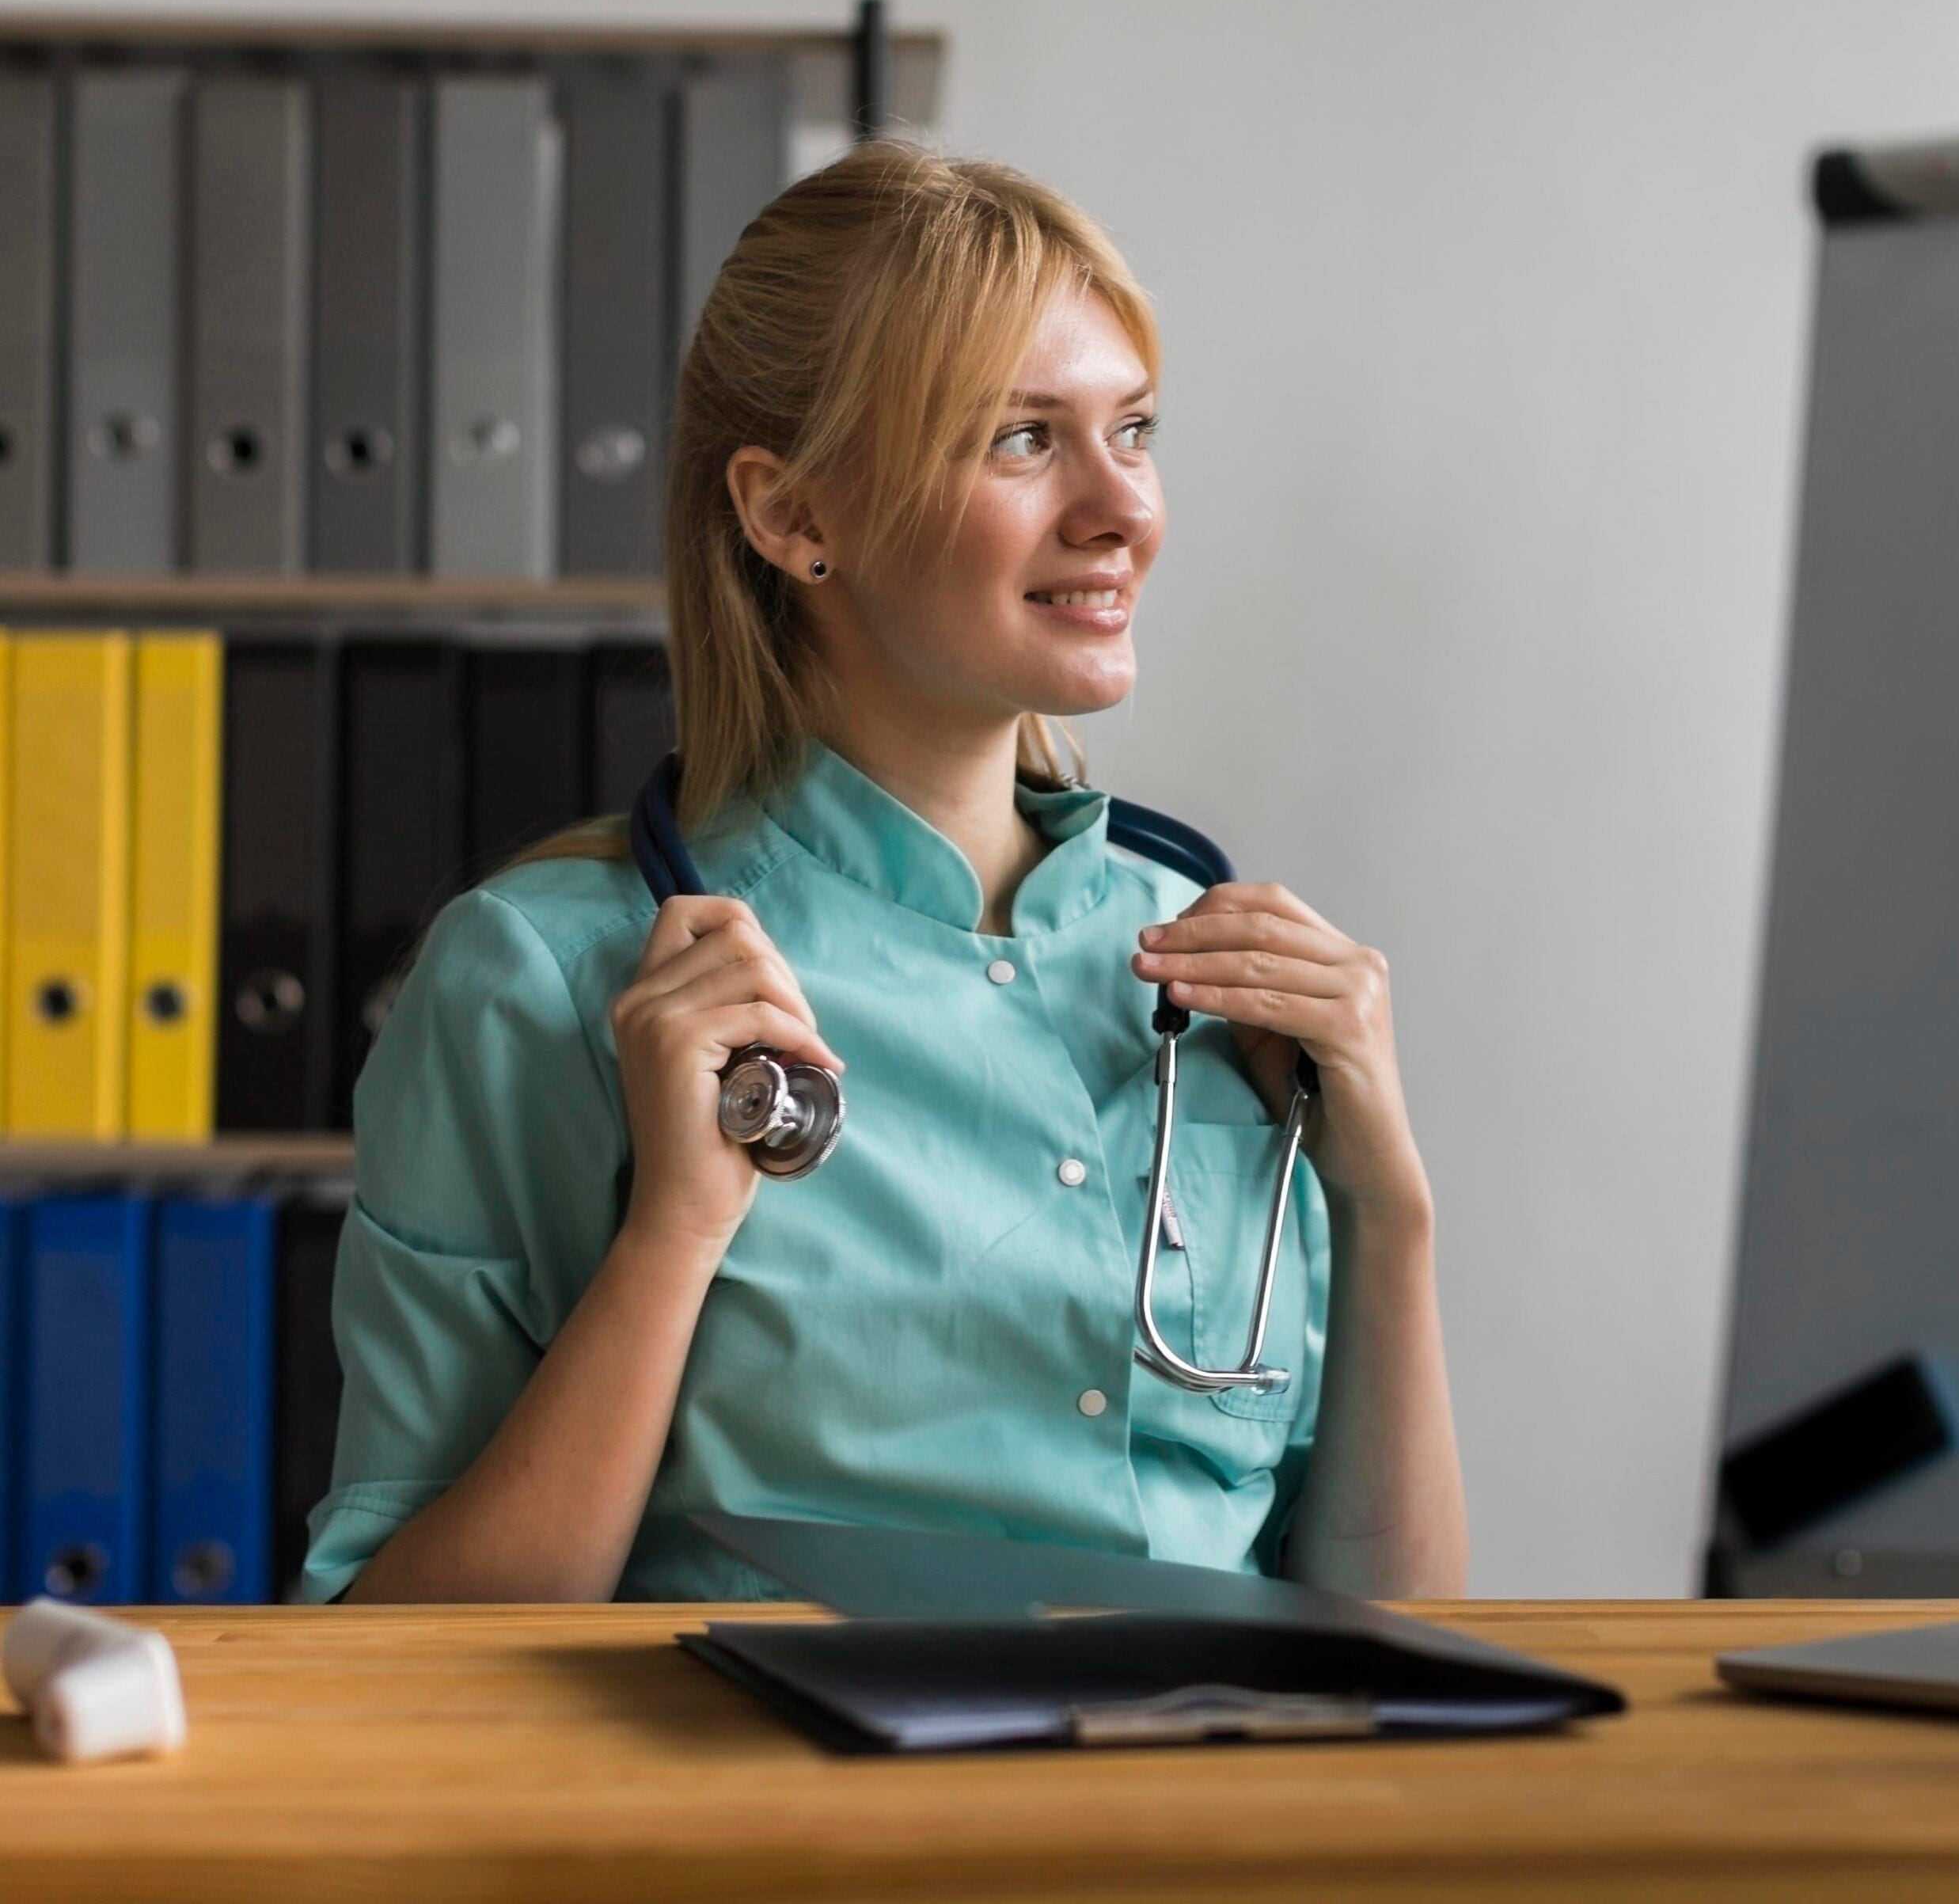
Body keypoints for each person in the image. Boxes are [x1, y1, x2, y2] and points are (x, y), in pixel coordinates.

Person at [303, 138, 1467, 1605]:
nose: (1123, 511)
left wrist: (1387, 1206)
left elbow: (1386, 1634)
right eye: (1023, 439)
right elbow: (393, 1652)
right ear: (793, 517)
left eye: (1137, 430)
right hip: (781, 1823)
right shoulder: (550, 979)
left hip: (1197, 1813)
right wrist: (675, 1234)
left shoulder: (1229, 976)